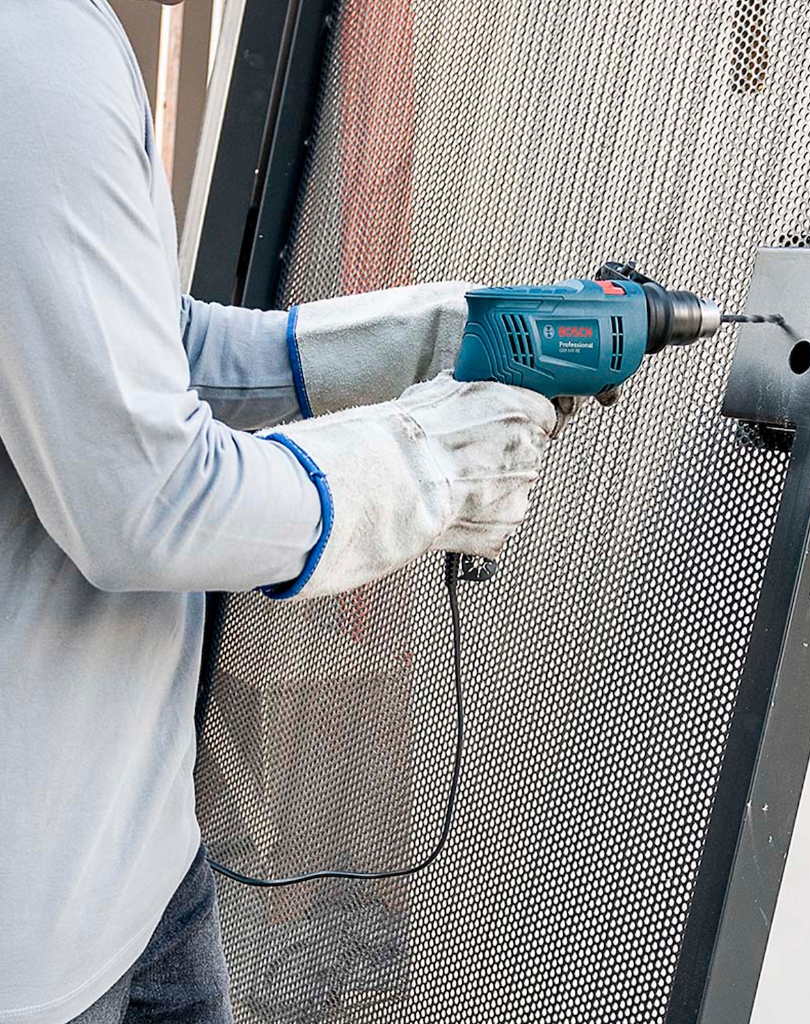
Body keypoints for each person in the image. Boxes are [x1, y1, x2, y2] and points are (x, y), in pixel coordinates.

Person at [0, 2, 612, 1021]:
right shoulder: (28, 45)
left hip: (142, 864)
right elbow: (148, 504)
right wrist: (431, 468)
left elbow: (128, 340)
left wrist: (430, 334)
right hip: (39, 956)